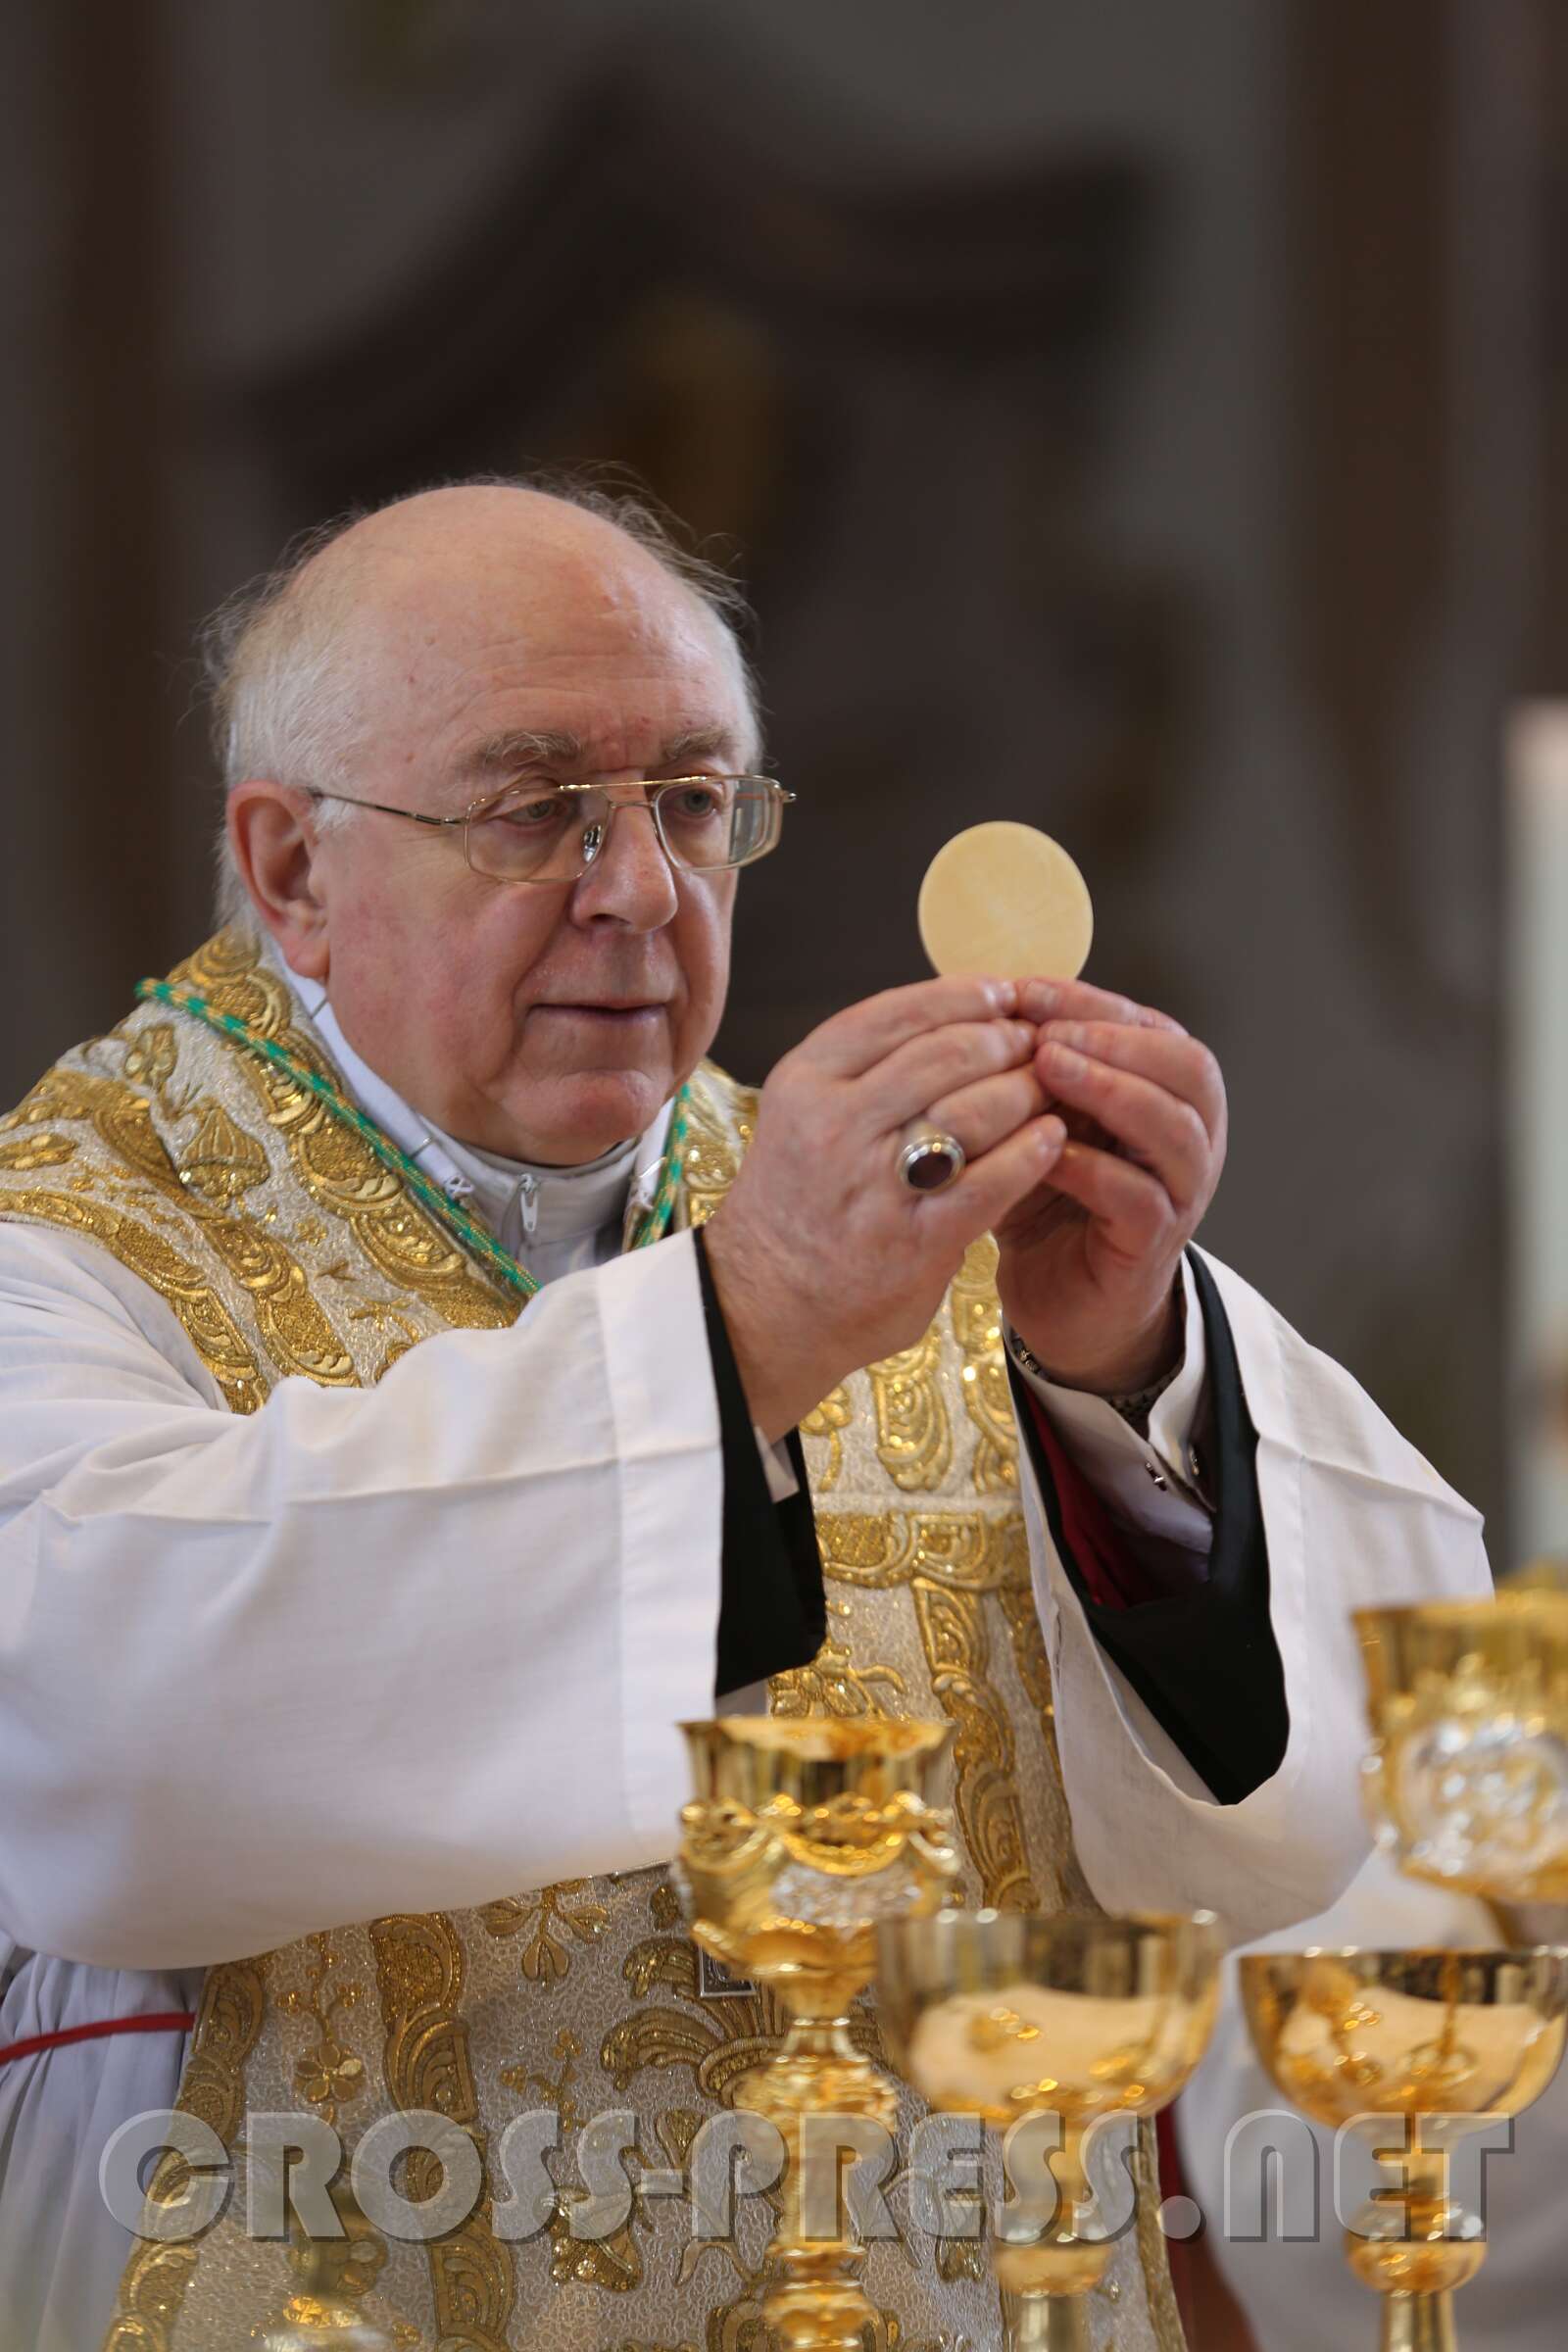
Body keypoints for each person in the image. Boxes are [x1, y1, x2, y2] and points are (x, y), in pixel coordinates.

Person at [0, 478, 1488, 2352]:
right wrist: (743, 1329)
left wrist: (1117, 1378)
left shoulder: (898, 1213)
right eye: (536, 806)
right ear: (293, 868)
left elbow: (1340, 1801)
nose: (638, 888)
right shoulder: (75, 1246)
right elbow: (96, 1734)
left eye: (693, 803)